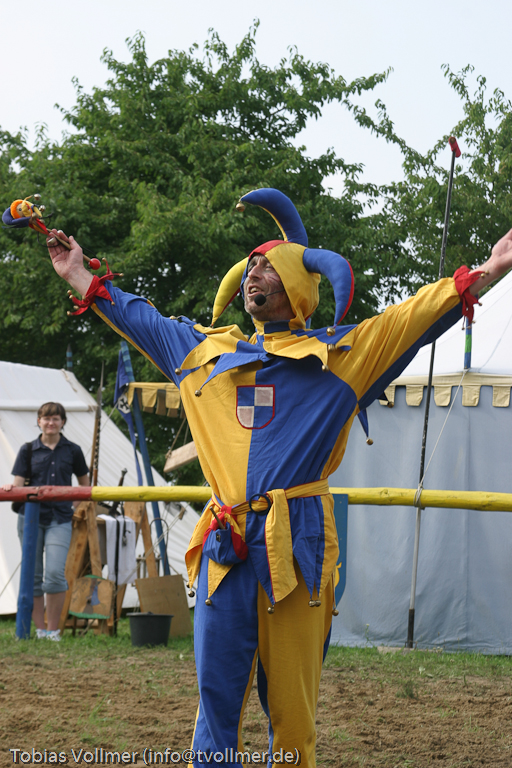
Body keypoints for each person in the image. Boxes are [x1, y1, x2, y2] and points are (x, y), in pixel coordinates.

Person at [46, 188, 512, 765]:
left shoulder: (342, 357)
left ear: (298, 287)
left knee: (291, 709)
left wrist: (488, 271)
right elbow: (139, 316)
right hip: (225, 546)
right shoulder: (202, 352)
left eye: (268, 266)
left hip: (298, 546)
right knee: (215, 700)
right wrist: (78, 274)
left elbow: (406, 319)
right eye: (250, 266)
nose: (253, 273)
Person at [3, 402, 89, 640]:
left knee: (54, 573)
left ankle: (53, 630)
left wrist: (70, 508)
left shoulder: (73, 450)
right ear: (39, 421)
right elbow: (18, 485)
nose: (51, 423)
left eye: (55, 419)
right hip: (29, 519)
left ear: (63, 422)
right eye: (46, 418)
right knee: (33, 575)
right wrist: (11, 488)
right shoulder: (27, 449)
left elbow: (85, 486)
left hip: (59, 519)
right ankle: (40, 630)